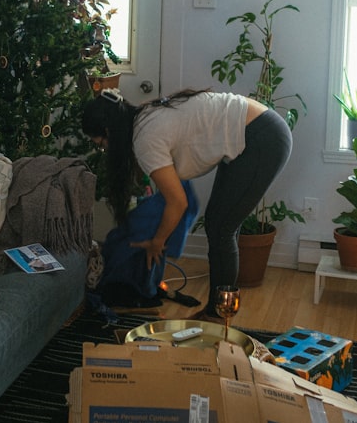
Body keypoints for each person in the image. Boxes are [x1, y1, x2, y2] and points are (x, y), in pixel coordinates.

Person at [82, 88, 292, 320]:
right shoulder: (143, 117)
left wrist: (157, 242)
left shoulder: (144, 139)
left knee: (220, 229)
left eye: (101, 144)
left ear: (109, 131)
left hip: (262, 137)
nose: (104, 150)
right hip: (254, 129)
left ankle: (217, 316)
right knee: (220, 224)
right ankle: (219, 310)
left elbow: (178, 202)